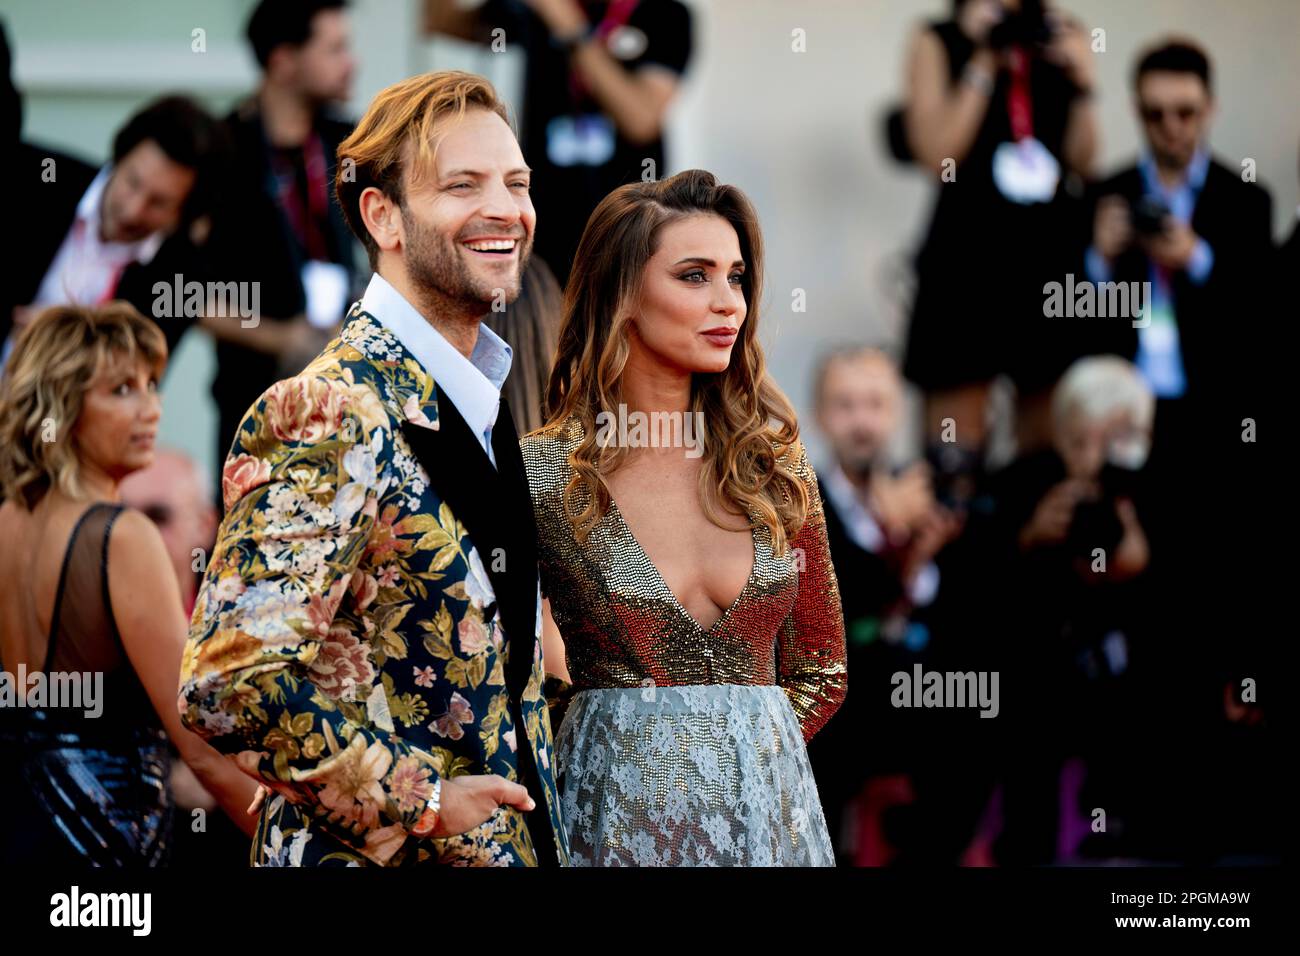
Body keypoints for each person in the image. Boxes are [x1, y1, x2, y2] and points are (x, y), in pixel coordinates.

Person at [180, 71, 569, 867]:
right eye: (464, 185)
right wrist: (417, 799)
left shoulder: (472, 404)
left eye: (516, 183)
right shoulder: (327, 410)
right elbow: (228, 682)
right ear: (383, 216)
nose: (506, 209)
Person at [522, 168, 847, 866]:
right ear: (623, 295)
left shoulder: (775, 467)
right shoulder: (543, 473)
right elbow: (497, 665)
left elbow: (823, 665)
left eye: (736, 277)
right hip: (604, 832)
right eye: (694, 276)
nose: (728, 301)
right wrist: (594, 750)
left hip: (767, 833)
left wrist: (728, 772)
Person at [0, 304, 258, 866]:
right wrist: (299, 850)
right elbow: (202, 747)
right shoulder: (121, 537)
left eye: (150, 385)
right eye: (120, 390)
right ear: (62, 407)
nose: (151, 409)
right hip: (104, 854)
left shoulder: (6, 523)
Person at [899, 0, 1098, 468]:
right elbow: (935, 153)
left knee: (1047, 453)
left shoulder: (1057, 32)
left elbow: (1085, 162)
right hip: (967, 254)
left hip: (1048, 253)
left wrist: (1084, 82)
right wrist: (984, 59)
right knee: (955, 457)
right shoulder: (939, 38)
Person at [985, 355, 1153, 863]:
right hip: (1041, 667)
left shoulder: (1156, 488)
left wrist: (1138, 569)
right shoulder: (1023, 483)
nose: (1097, 458)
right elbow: (983, 591)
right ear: (1060, 436)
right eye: (1082, 441)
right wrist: (1030, 538)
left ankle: (1128, 831)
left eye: (1116, 440)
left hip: (1134, 668)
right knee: (1027, 701)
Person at [805, 345, 961, 864]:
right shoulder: (801, 502)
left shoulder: (926, 492)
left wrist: (917, 553)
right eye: (845, 406)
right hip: (842, 701)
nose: (862, 422)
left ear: (894, 412)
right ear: (822, 417)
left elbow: (952, 609)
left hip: (921, 699)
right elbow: (832, 608)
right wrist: (892, 539)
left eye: (874, 404)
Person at [204, 0, 361, 507]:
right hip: (253, 408)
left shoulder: (353, 142)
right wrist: (279, 336)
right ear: (283, 61)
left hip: (351, 400)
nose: (350, 63)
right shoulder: (223, 151)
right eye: (334, 48)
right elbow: (190, 295)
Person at [425, 0, 693, 284]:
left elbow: (640, 119)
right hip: (542, 218)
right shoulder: (536, 11)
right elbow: (442, 22)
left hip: (627, 223)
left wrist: (571, 28)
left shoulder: (666, 14)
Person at [3, 93, 226, 369]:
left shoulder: (182, 275)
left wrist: (64, 340)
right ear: (120, 157)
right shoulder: (33, 177)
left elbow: (141, 376)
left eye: (158, 203)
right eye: (132, 182)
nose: (132, 210)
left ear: (184, 214)